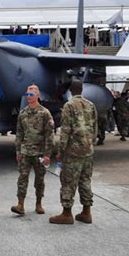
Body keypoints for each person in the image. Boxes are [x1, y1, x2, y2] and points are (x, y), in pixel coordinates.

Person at [50, 80, 97, 224]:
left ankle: (66, 214)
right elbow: (95, 128)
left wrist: (60, 151)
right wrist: (89, 143)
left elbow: (65, 131)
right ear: (82, 90)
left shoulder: (69, 105)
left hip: (73, 151)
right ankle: (86, 212)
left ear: (70, 91)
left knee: (68, 182)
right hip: (88, 150)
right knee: (85, 180)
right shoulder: (91, 105)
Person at [12, 84, 54, 215]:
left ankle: (39, 204)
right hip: (25, 152)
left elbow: (49, 135)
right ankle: (20, 204)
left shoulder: (44, 113)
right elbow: (19, 133)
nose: (28, 97)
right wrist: (18, 151)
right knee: (22, 178)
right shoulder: (22, 113)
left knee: (39, 180)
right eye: (27, 94)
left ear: (37, 96)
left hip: (40, 153)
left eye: (31, 94)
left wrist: (47, 154)